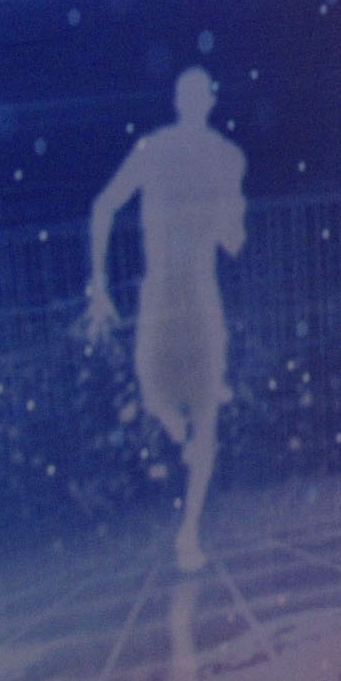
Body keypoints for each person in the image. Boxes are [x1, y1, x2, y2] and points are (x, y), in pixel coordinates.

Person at [84, 65, 250, 572]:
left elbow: (233, 240)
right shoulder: (155, 150)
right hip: (164, 293)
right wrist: (98, 284)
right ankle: (178, 432)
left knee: (204, 416)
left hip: (194, 293)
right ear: (186, 102)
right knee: (157, 397)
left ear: (201, 103)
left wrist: (224, 213)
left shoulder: (223, 157)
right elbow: (104, 205)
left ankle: (189, 531)